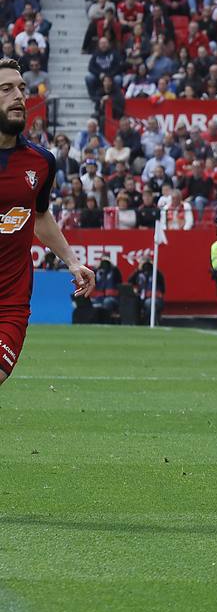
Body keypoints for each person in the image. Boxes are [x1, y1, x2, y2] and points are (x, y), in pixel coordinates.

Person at [0, 57, 94, 385]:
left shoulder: (41, 162)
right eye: (6, 89)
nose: (19, 96)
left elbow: (39, 216)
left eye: (22, 89)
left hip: (10, 303)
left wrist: (72, 262)